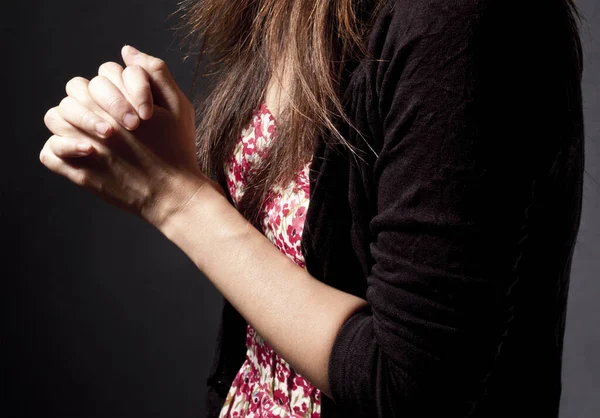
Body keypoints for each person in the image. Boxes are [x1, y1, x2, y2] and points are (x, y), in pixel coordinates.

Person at [39, 0, 585, 416]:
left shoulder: (459, 20)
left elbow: (410, 386)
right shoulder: (304, 10)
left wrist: (177, 199)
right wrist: (148, 147)